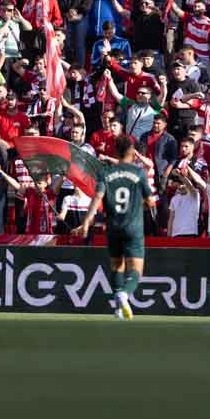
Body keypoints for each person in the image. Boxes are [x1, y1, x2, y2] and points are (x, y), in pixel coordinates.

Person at [73, 134, 152, 320]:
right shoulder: (138, 173)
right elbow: (150, 201)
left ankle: (117, 309)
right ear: (132, 152)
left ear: (116, 151)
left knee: (117, 265)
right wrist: (138, 203)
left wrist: (86, 222)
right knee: (135, 270)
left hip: (113, 226)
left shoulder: (106, 173)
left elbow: (97, 197)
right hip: (133, 226)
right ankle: (124, 295)